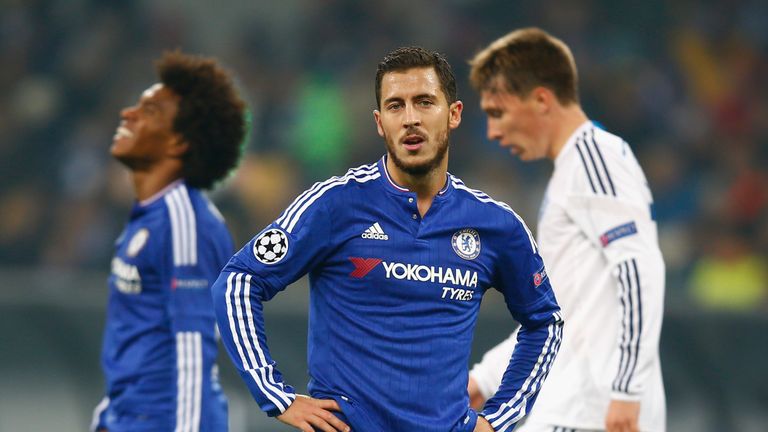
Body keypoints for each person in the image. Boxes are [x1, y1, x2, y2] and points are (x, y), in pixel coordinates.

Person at [210, 46, 563, 432]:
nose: (410, 118)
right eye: (396, 106)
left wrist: (499, 418)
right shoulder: (335, 204)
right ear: (380, 123)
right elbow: (238, 281)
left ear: (454, 114)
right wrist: (276, 395)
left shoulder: (497, 226)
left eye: (425, 102)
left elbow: (545, 321)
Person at [467, 27, 666, 432]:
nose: (492, 132)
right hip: (576, 407)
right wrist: (486, 378)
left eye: (497, 112)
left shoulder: (596, 160)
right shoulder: (571, 173)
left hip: (591, 411)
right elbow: (564, 316)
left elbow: (639, 271)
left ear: (541, 99)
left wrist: (626, 390)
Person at [91, 51, 247, 432]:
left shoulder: (185, 223)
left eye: (150, 111)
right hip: (128, 418)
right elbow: (138, 335)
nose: (128, 114)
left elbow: (193, 350)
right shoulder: (149, 216)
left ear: (178, 143)